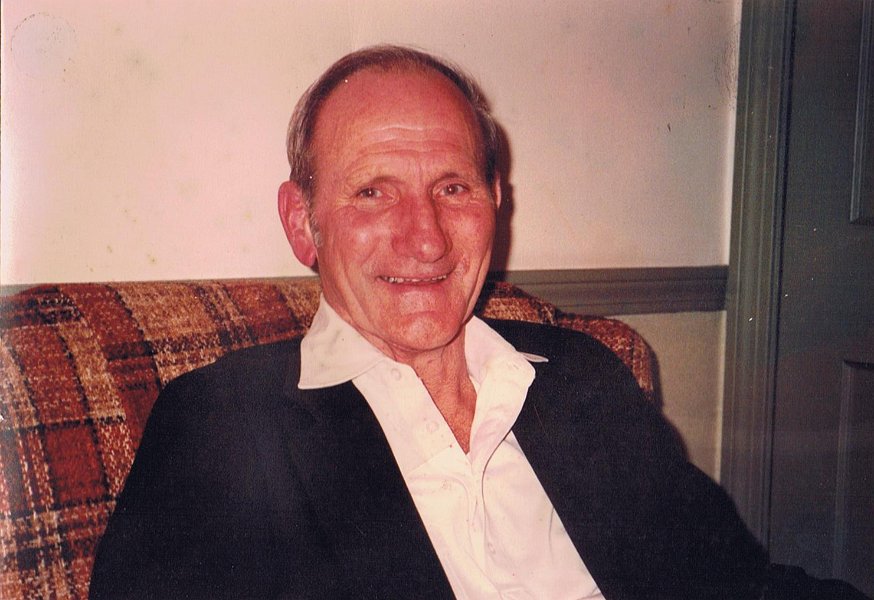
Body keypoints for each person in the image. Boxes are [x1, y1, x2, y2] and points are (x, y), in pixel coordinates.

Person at [89, 45, 869, 600]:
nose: (425, 239)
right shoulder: (223, 422)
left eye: (453, 188)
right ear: (303, 223)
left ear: (496, 201)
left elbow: (738, 584)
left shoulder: (581, 375)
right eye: (372, 192)